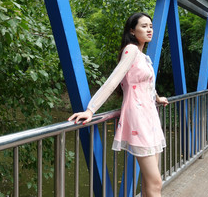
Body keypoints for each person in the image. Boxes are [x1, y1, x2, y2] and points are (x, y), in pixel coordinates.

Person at [68, 12, 168, 197]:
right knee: (155, 182)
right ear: (132, 30)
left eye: (151, 26)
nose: (149, 30)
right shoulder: (130, 50)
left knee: (150, 182)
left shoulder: (142, 56)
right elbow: (114, 80)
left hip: (150, 116)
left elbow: (145, 84)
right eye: (144, 26)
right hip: (138, 117)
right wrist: (91, 109)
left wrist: (157, 97)